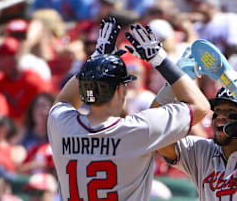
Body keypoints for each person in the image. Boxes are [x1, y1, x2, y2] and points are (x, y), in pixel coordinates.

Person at [47, 17, 210, 200]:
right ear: (119, 90)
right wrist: (160, 60)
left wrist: (95, 61)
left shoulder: (61, 124)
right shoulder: (138, 130)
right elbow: (201, 106)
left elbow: (65, 100)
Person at [153, 39, 237, 200]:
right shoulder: (202, 151)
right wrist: (173, 83)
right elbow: (153, 130)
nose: (220, 117)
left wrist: (228, 78)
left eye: (231, 112)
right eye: (217, 111)